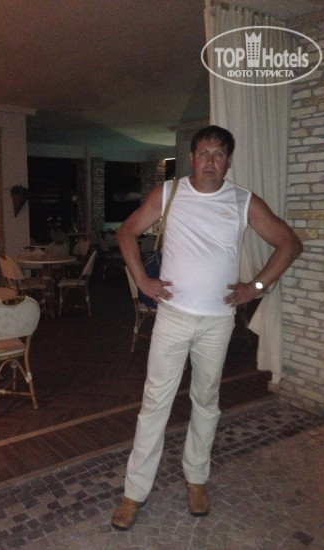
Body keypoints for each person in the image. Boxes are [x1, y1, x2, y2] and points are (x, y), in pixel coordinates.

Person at [111, 125, 303, 530]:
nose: (210, 162)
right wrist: (142, 281)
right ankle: (134, 492)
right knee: (155, 404)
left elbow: (289, 243)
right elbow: (127, 232)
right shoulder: (169, 193)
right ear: (192, 158)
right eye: (203, 153)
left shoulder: (243, 200)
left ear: (228, 160)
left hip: (217, 322)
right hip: (173, 318)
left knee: (206, 401)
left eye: (218, 154)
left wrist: (255, 287)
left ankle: (196, 479)